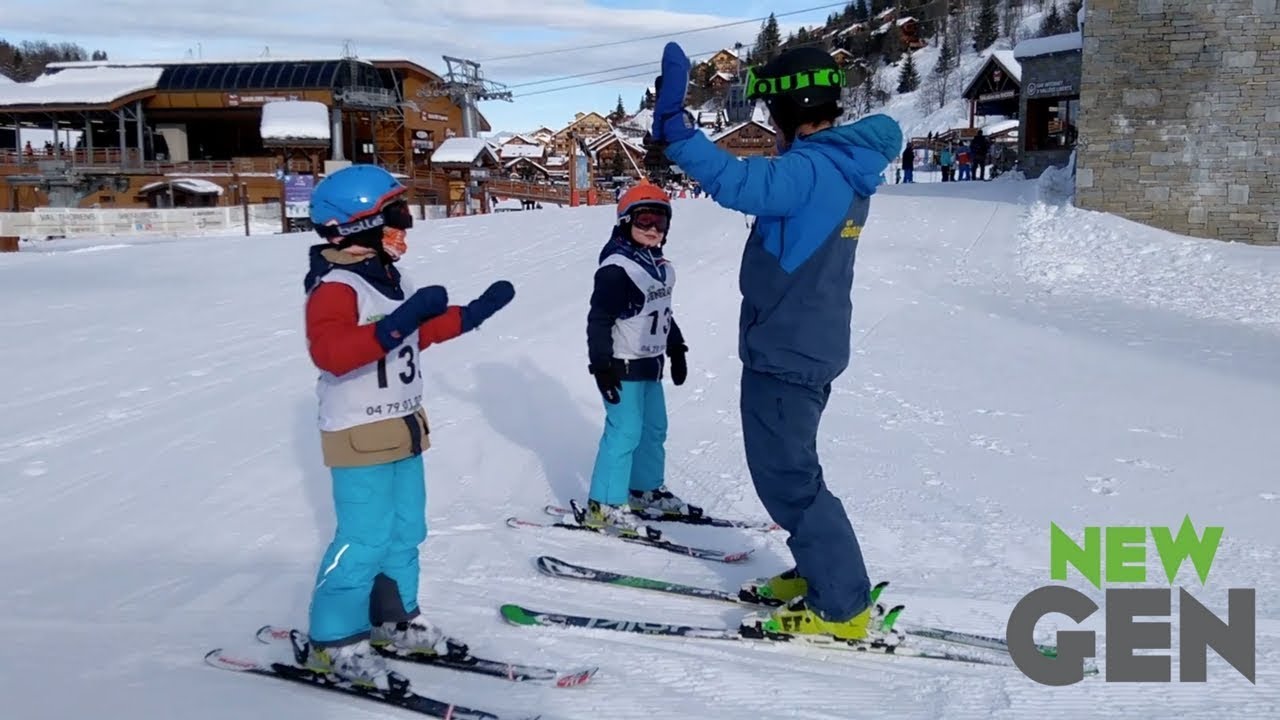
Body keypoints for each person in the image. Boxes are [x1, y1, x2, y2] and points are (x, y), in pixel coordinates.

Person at [648, 43, 903, 643]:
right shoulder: (842, 162)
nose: (766, 120)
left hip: (787, 352)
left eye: (769, 108)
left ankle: (841, 606)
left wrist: (675, 132)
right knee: (793, 468)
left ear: (789, 105)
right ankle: (820, 572)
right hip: (806, 341)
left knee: (788, 478)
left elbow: (737, 181)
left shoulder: (811, 168)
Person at [299, 164, 515, 690]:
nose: (405, 226)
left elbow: (423, 329)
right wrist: (398, 322)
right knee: (363, 538)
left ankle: (393, 619)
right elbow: (330, 353)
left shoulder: (388, 278)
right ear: (356, 226)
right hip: (357, 431)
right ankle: (333, 641)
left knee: (405, 531)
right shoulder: (337, 287)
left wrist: (472, 314)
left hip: (403, 427)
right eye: (395, 216)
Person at [579, 181, 691, 536]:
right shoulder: (617, 268)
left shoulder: (658, 264)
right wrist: (601, 366)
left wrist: (676, 347)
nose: (653, 229)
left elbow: (661, 310)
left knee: (654, 430)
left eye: (660, 221)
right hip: (622, 365)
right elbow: (599, 319)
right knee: (625, 432)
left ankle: (644, 491)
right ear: (626, 221)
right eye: (644, 220)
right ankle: (604, 504)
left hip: (650, 364)